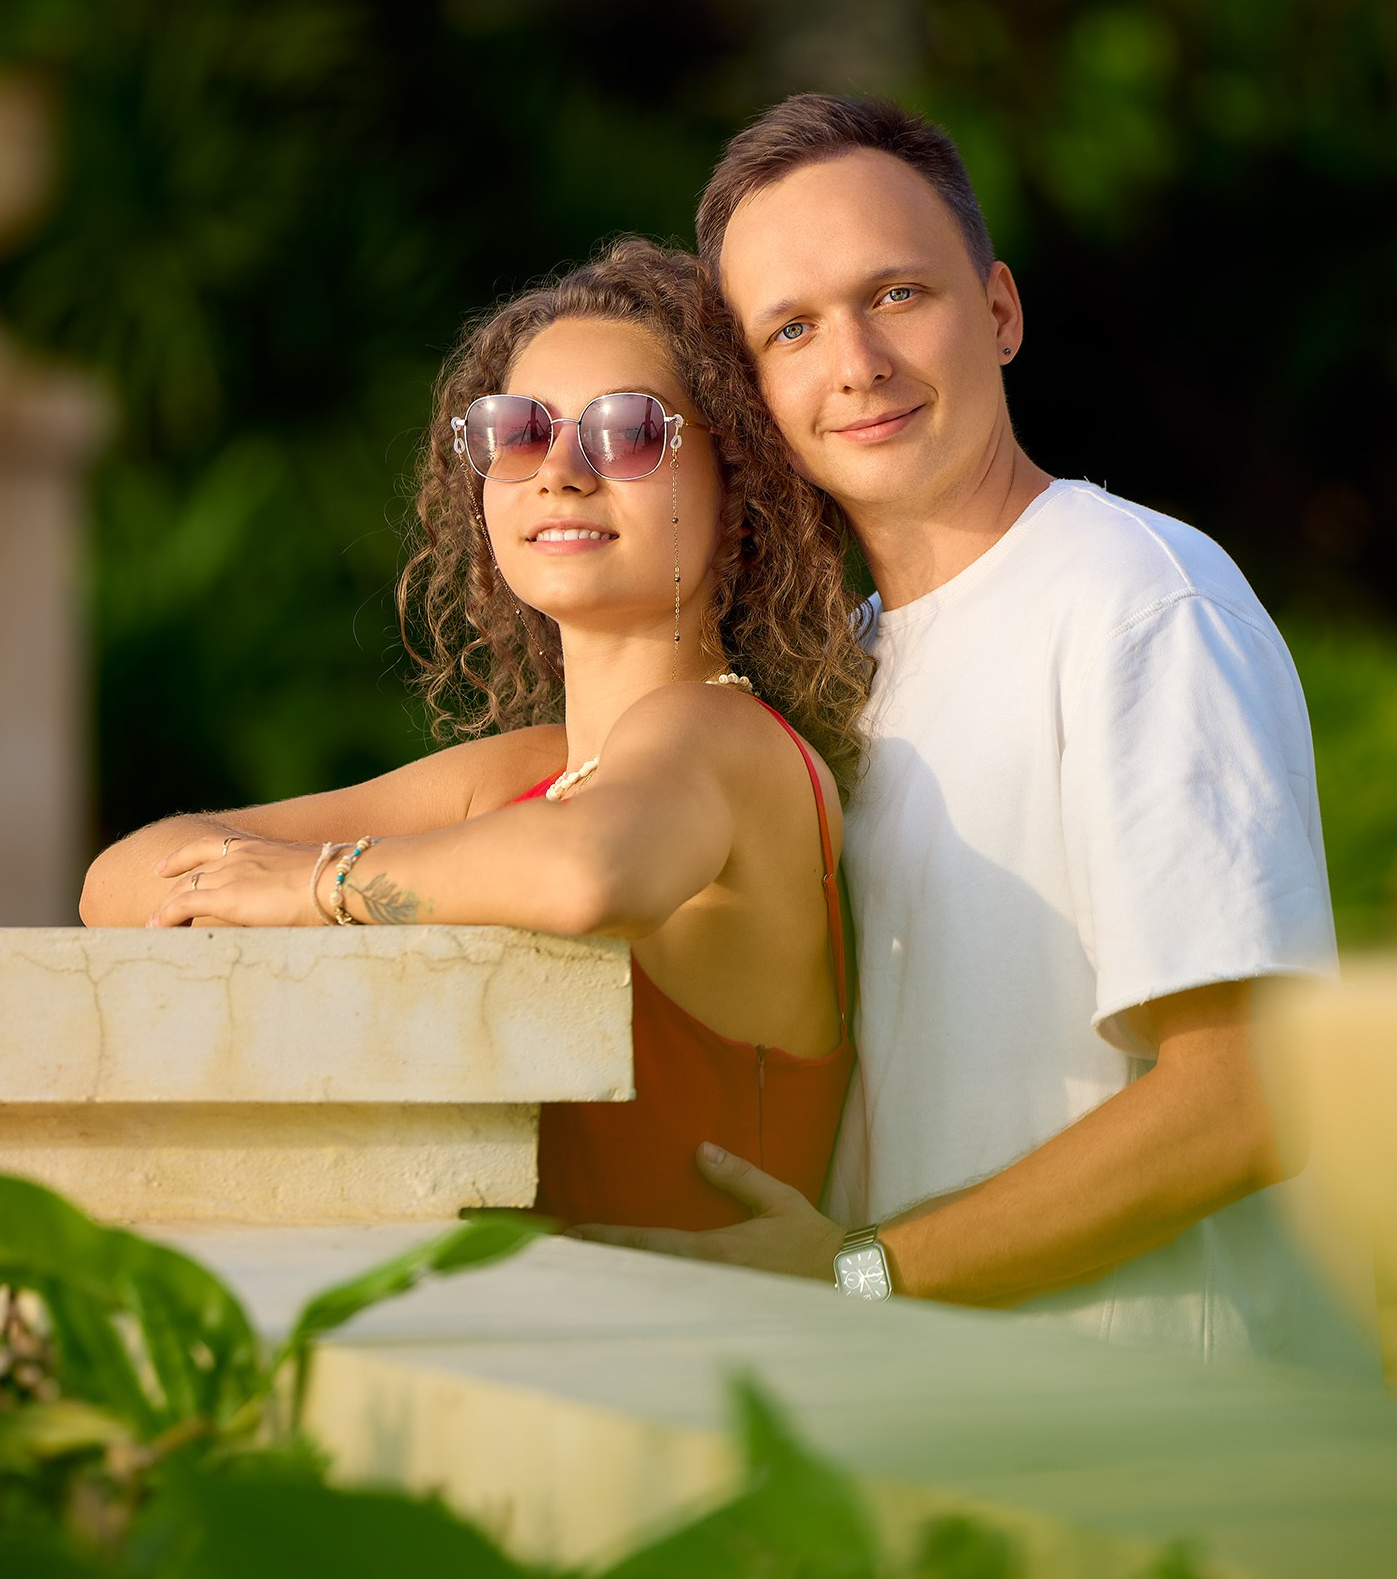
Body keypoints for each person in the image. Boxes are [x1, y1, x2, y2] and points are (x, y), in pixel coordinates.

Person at [579, 96, 1367, 1370]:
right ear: (755, 391)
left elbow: (1245, 1102)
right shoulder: (841, 666)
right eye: (792, 329)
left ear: (999, 312)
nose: (856, 364)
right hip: (963, 1429)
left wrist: (862, 1273)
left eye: (896, 295)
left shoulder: (1136, 604)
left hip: (1179, 1434)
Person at [78, 239, 869, 1232]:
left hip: (684, 1330)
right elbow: (122, 881)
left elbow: (589, 874)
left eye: (628, 431)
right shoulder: (528, 776)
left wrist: (317, 886)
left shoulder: (730, 741)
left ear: (740, 488)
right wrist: (276, 885)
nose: (561, 473)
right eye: (518, 431)